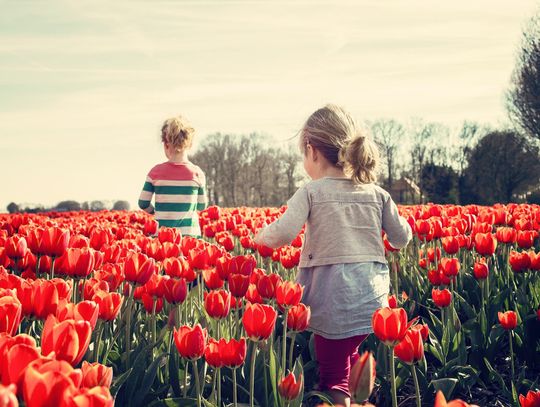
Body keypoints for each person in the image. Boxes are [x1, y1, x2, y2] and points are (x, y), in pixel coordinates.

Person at [254, 104, 412, 406]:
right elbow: (401, 237)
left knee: (333, 376)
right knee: (351, 358)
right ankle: (358, 398)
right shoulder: (377, 193)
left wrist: (259, 237)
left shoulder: (312, 191)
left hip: (332, 299)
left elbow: (284, 233)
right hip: (372, 300)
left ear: (312, 151)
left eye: (304, 154)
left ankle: (342, 401)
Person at [138, 115, 208, 237]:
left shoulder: (155, 172)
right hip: (189, 236)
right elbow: (202, 205)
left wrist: (155, 212)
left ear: (165, 144)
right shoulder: (197, 173)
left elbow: (143, 203)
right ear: (190, 144)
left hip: (162, 236)